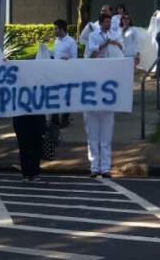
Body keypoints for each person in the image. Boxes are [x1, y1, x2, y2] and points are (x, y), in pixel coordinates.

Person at [85, 14, 123, 178]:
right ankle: (94, 167)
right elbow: (91, 54)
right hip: (94, 84)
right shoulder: (93, 36)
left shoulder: (114, 34)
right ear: (101, 23)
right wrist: (104, 43)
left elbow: (122, 51)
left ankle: (106, 167)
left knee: (106, 135)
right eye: (106, 22)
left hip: (109, 85)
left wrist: (115, 43)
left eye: (110, 22)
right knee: (92, 135)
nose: (109, 24)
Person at [51, 19, 77, 128]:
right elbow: (55, 54)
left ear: (62, 29)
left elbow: (74, 58)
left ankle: (65, 119)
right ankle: (54, 120)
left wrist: (68, 58)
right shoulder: (56, 41)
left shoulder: (71, 42)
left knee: (66, 96)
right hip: (56, 72)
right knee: (55, 95)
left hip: (67, 73)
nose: (54, 30)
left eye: (56, 28)